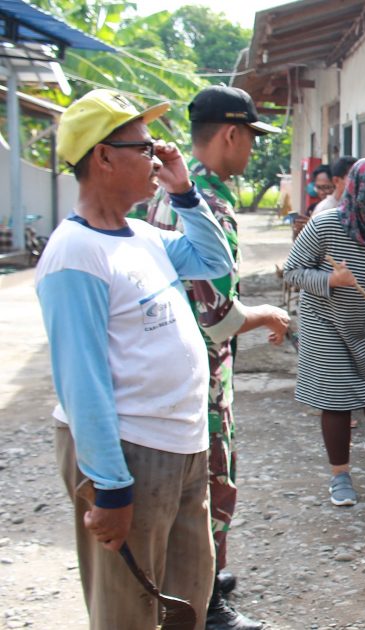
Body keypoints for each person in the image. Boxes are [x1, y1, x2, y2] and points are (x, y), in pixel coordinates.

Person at [37, 89, 234, 629]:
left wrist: (185, 191)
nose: (158, 156)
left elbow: (215, 264)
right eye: (145, 148)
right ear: (102, 157)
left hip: (183, 443)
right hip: (131, 449)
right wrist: (110, 485)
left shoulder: (142, 236)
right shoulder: (76, 254)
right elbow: (82, 381)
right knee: (127, 610)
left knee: (186, 598)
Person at [144, 85, 288, 630]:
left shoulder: (159, 193)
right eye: (251, 137)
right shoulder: (206, 204)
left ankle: (197, 584)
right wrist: (267, 314)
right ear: (231, 134)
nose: (252, 149)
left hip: (171, 364)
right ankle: (205, 603)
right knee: (210, 486)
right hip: (198, 373)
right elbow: (217, 314)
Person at [283, 158, 365, 506]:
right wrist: (330, 280)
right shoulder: (325, 226)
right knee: (336, 399)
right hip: (325, 322)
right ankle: (340, 474)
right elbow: (292, 272)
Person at [292, 165, 332, 239]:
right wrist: (298, 231)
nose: (322, 192)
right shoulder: (313, 208)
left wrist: (314, 227)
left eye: (326, 187)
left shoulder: (342, 210)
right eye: (319, 188)